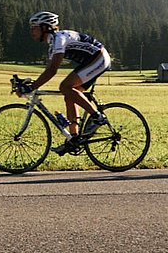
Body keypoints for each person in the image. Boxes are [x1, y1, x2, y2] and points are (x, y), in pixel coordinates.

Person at [19, 10, 112, 154]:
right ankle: (74, 139)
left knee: (65, 86)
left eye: (34, 27)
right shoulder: (53, 44)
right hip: (91, 60)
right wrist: (29, 83)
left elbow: (52, 71)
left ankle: (97, 117)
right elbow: (48, 69)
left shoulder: (58, 39)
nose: (31, 31)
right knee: (69, 94)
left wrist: (32, 87)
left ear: (45, 27)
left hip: (99, 58)